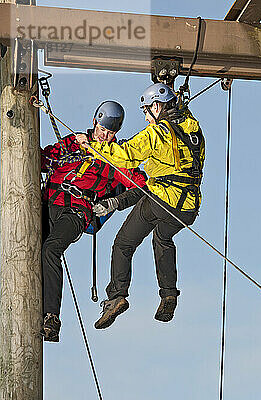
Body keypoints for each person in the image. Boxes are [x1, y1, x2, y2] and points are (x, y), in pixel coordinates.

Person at [75, 83, 205, 329]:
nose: (146, 118)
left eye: (147, 111)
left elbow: (125, 156)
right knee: (163, 239)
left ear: (157, 107)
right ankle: (169, 295)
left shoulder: (158, 133)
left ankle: (117, 297)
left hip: (163, 199)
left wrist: (92, 145)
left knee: (124, 243)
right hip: (189, 206)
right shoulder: (192, 128)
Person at [41, 101, 147, 342]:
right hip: (49, 203)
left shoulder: (115, 157)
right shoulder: (74, 142)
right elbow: (44, 160)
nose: (105, 136)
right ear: (94, 123)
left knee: (51, 249)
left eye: (111, 133)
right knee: (23, 248)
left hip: (76, 211)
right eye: (102, 130)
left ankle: (51, 317)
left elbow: (141, 183)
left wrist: (114, 202)